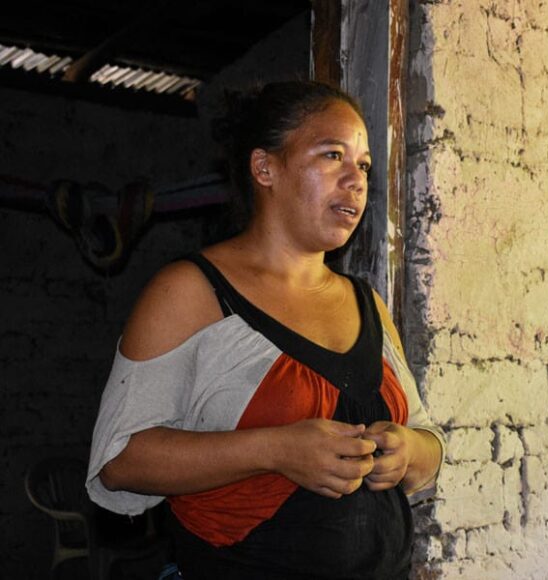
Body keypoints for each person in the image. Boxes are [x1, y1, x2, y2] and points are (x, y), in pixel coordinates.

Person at [86, 81, 445, 580]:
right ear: (265, 168)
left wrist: (409, 450)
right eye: (332, 156)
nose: (356, 180)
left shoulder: (369, 304)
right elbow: (119, 460)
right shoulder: (191, 291)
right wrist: (276, 449)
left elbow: (427, 445)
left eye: (362, 165)